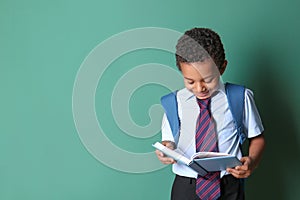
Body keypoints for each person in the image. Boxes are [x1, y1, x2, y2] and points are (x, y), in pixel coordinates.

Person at [155, 27, 265, 200]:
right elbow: (168, 141)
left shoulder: (240, 97)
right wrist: (165, 150)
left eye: (208, 80)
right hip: (186, 185)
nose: (200, 88)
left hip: (229, 184)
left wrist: (252, 161)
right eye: (190, 81)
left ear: (222, 68)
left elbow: (257, 138)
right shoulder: (174, 102)